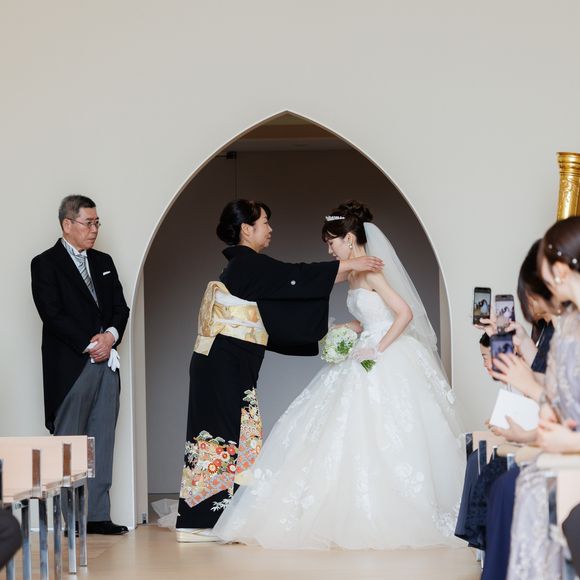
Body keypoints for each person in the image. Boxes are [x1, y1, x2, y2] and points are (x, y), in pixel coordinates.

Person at [213, 200, 464, 549]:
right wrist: (348, 331)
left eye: (332, 243)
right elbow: (370, 316)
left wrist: (378, 348)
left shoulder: (372, 270)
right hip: (364, 351)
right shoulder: (353, 275)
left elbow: (404, 314)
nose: (330, 251)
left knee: (384, 429)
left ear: (349, 239)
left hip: (384, 355)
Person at [176, 199, 383, 542]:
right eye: (264, 223)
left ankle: (218, 517)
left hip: (227, 364)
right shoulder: (245, 264)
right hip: (222, 366)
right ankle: (199, 520)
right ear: (247, 229)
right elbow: (293, 277)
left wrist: (330, 329)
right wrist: (348, 265)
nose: (270, 229)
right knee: (220, 437)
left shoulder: (247, 268)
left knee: (236, 435)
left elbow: (277, 311)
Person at [31, 195, 130, 535]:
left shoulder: (104, 261)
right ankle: (68, 519)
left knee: (102, 438)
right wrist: (92, 344)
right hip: (71, 366)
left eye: (97, 223)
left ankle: (97, 516)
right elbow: (52, 313)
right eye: (89, 223)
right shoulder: (45, 263)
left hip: (107, 363)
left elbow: (120, 308)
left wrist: (110, 337)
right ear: (67, 224)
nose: (95, 229)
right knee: (68, 442)